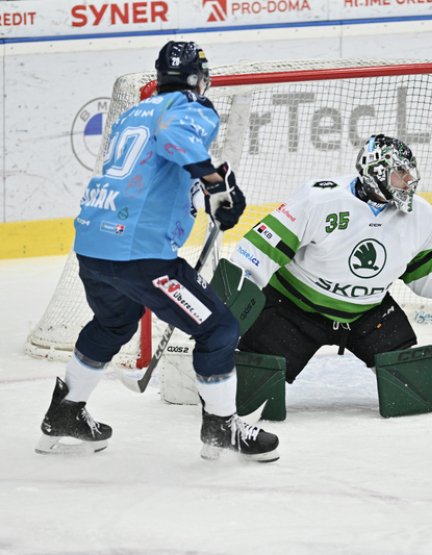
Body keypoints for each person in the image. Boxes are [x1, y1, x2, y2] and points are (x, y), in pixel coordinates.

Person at [35, 41, 279, 462]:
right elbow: (174, 138)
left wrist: (206, 189)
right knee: (218, 329)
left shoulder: (135, 112)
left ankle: (65, 412)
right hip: (140, 256)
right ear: (199, 79)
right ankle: (221, 426)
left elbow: (154, 171)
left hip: (94, 247)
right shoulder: (192, 108)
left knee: (114, 323)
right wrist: (215, 183)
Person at [228, 134, 432, 412]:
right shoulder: (318, 200)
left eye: (409, 173)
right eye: (400, 173)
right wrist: (229, 303)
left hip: (368, 314)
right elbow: (259, 250)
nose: (409, 181)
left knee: (418, 389)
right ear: (376, 172)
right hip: (293, 311)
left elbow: (430, 272)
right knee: (247, 397)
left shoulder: (420, 216)